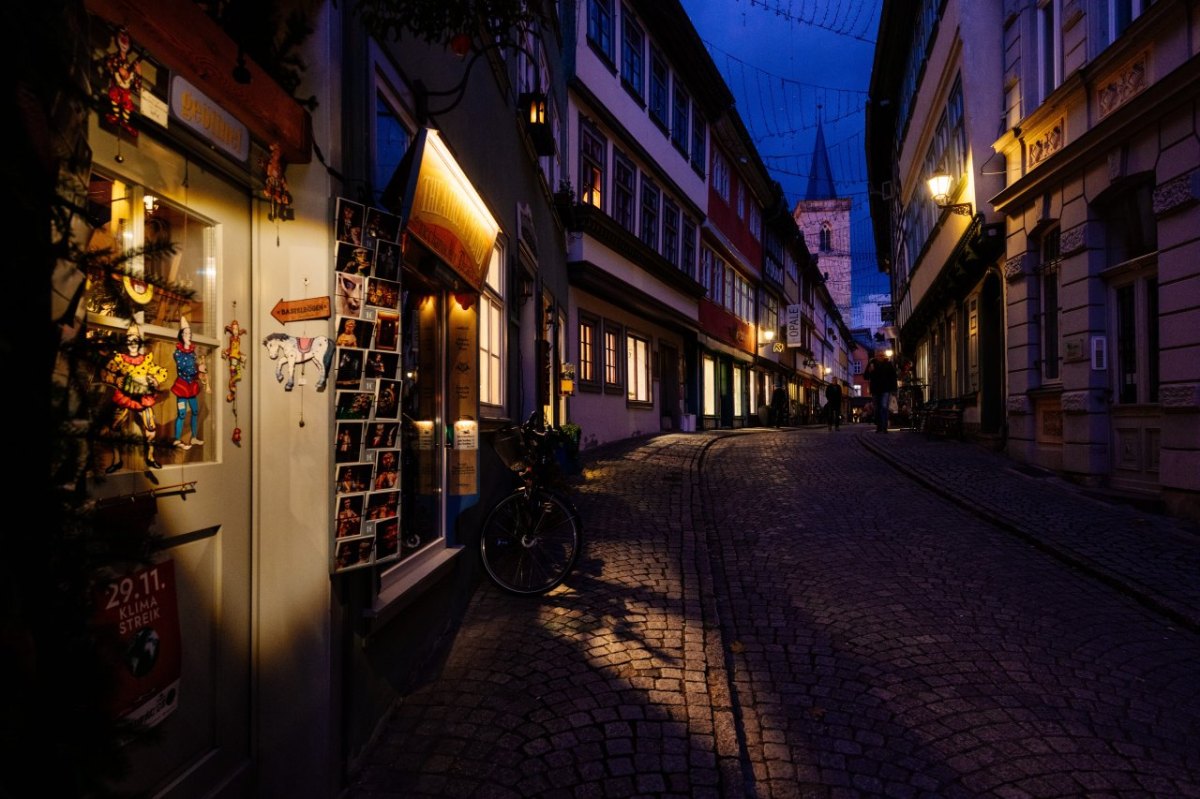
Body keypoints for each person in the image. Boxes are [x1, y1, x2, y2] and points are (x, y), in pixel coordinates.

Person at [171, 317, 206, 449]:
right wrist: (198, 369)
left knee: (195, 411)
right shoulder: (178, 353)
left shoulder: (192, 353)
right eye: (186, 334)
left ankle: (194, 437)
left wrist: (200, 374)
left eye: (190, 334)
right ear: (181, 335)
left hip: (191, 387)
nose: (188, 336)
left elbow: (193, 370)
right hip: (182, 387)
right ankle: (177, 439)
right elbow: (184, 368)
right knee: (182, 413)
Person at [864, 350, 899, 433]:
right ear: (876, 356)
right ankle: (879, 427)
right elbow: (865, 376)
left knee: (884, 407)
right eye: (879, 355)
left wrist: (894, 389)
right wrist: (869, 370)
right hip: (875, 389)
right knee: (877, 409)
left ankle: (884, 427)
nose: (881, 357)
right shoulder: (872, 363)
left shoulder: (888, 364)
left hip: (886, 389)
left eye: (882, 355)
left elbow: (893, 377)